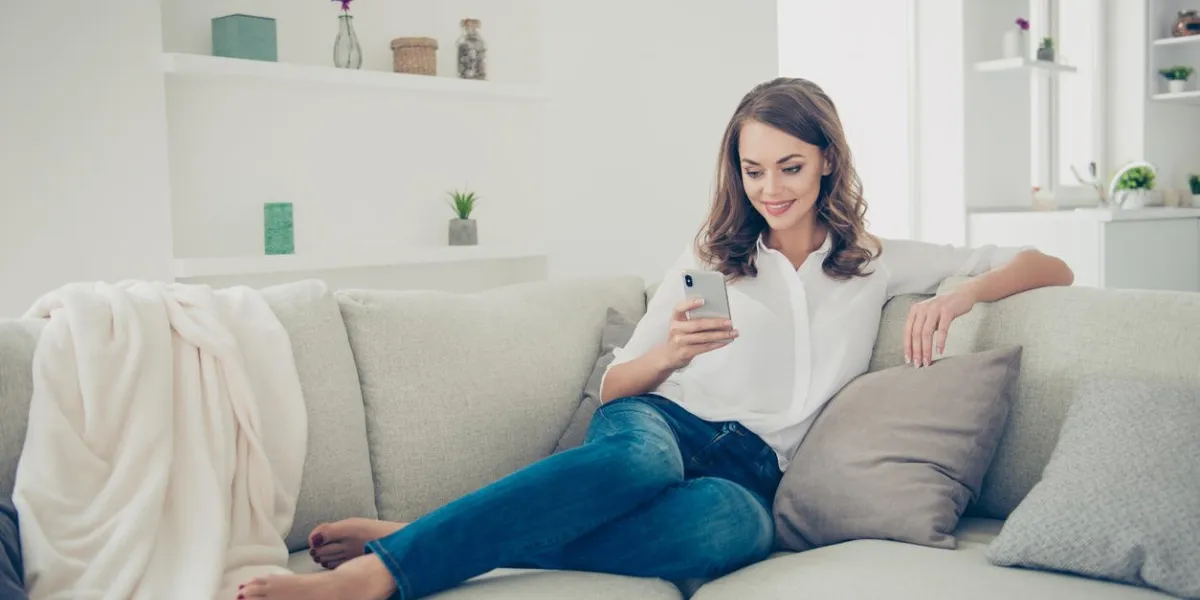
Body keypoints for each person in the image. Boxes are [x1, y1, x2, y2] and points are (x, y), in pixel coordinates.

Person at [236, 77, 1073, 600]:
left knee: (731, 535)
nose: (770, 188)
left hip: (751, 470)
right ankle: (379, 575)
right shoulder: (713, 255)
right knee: (640, 462)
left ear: (825, 160)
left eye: (788, 165)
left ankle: (418, 528)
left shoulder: (872, 264)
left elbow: (1050, 264)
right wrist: (669, 355)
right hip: (659, 425)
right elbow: (615, 389)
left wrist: (963, 294)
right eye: (752, 169)